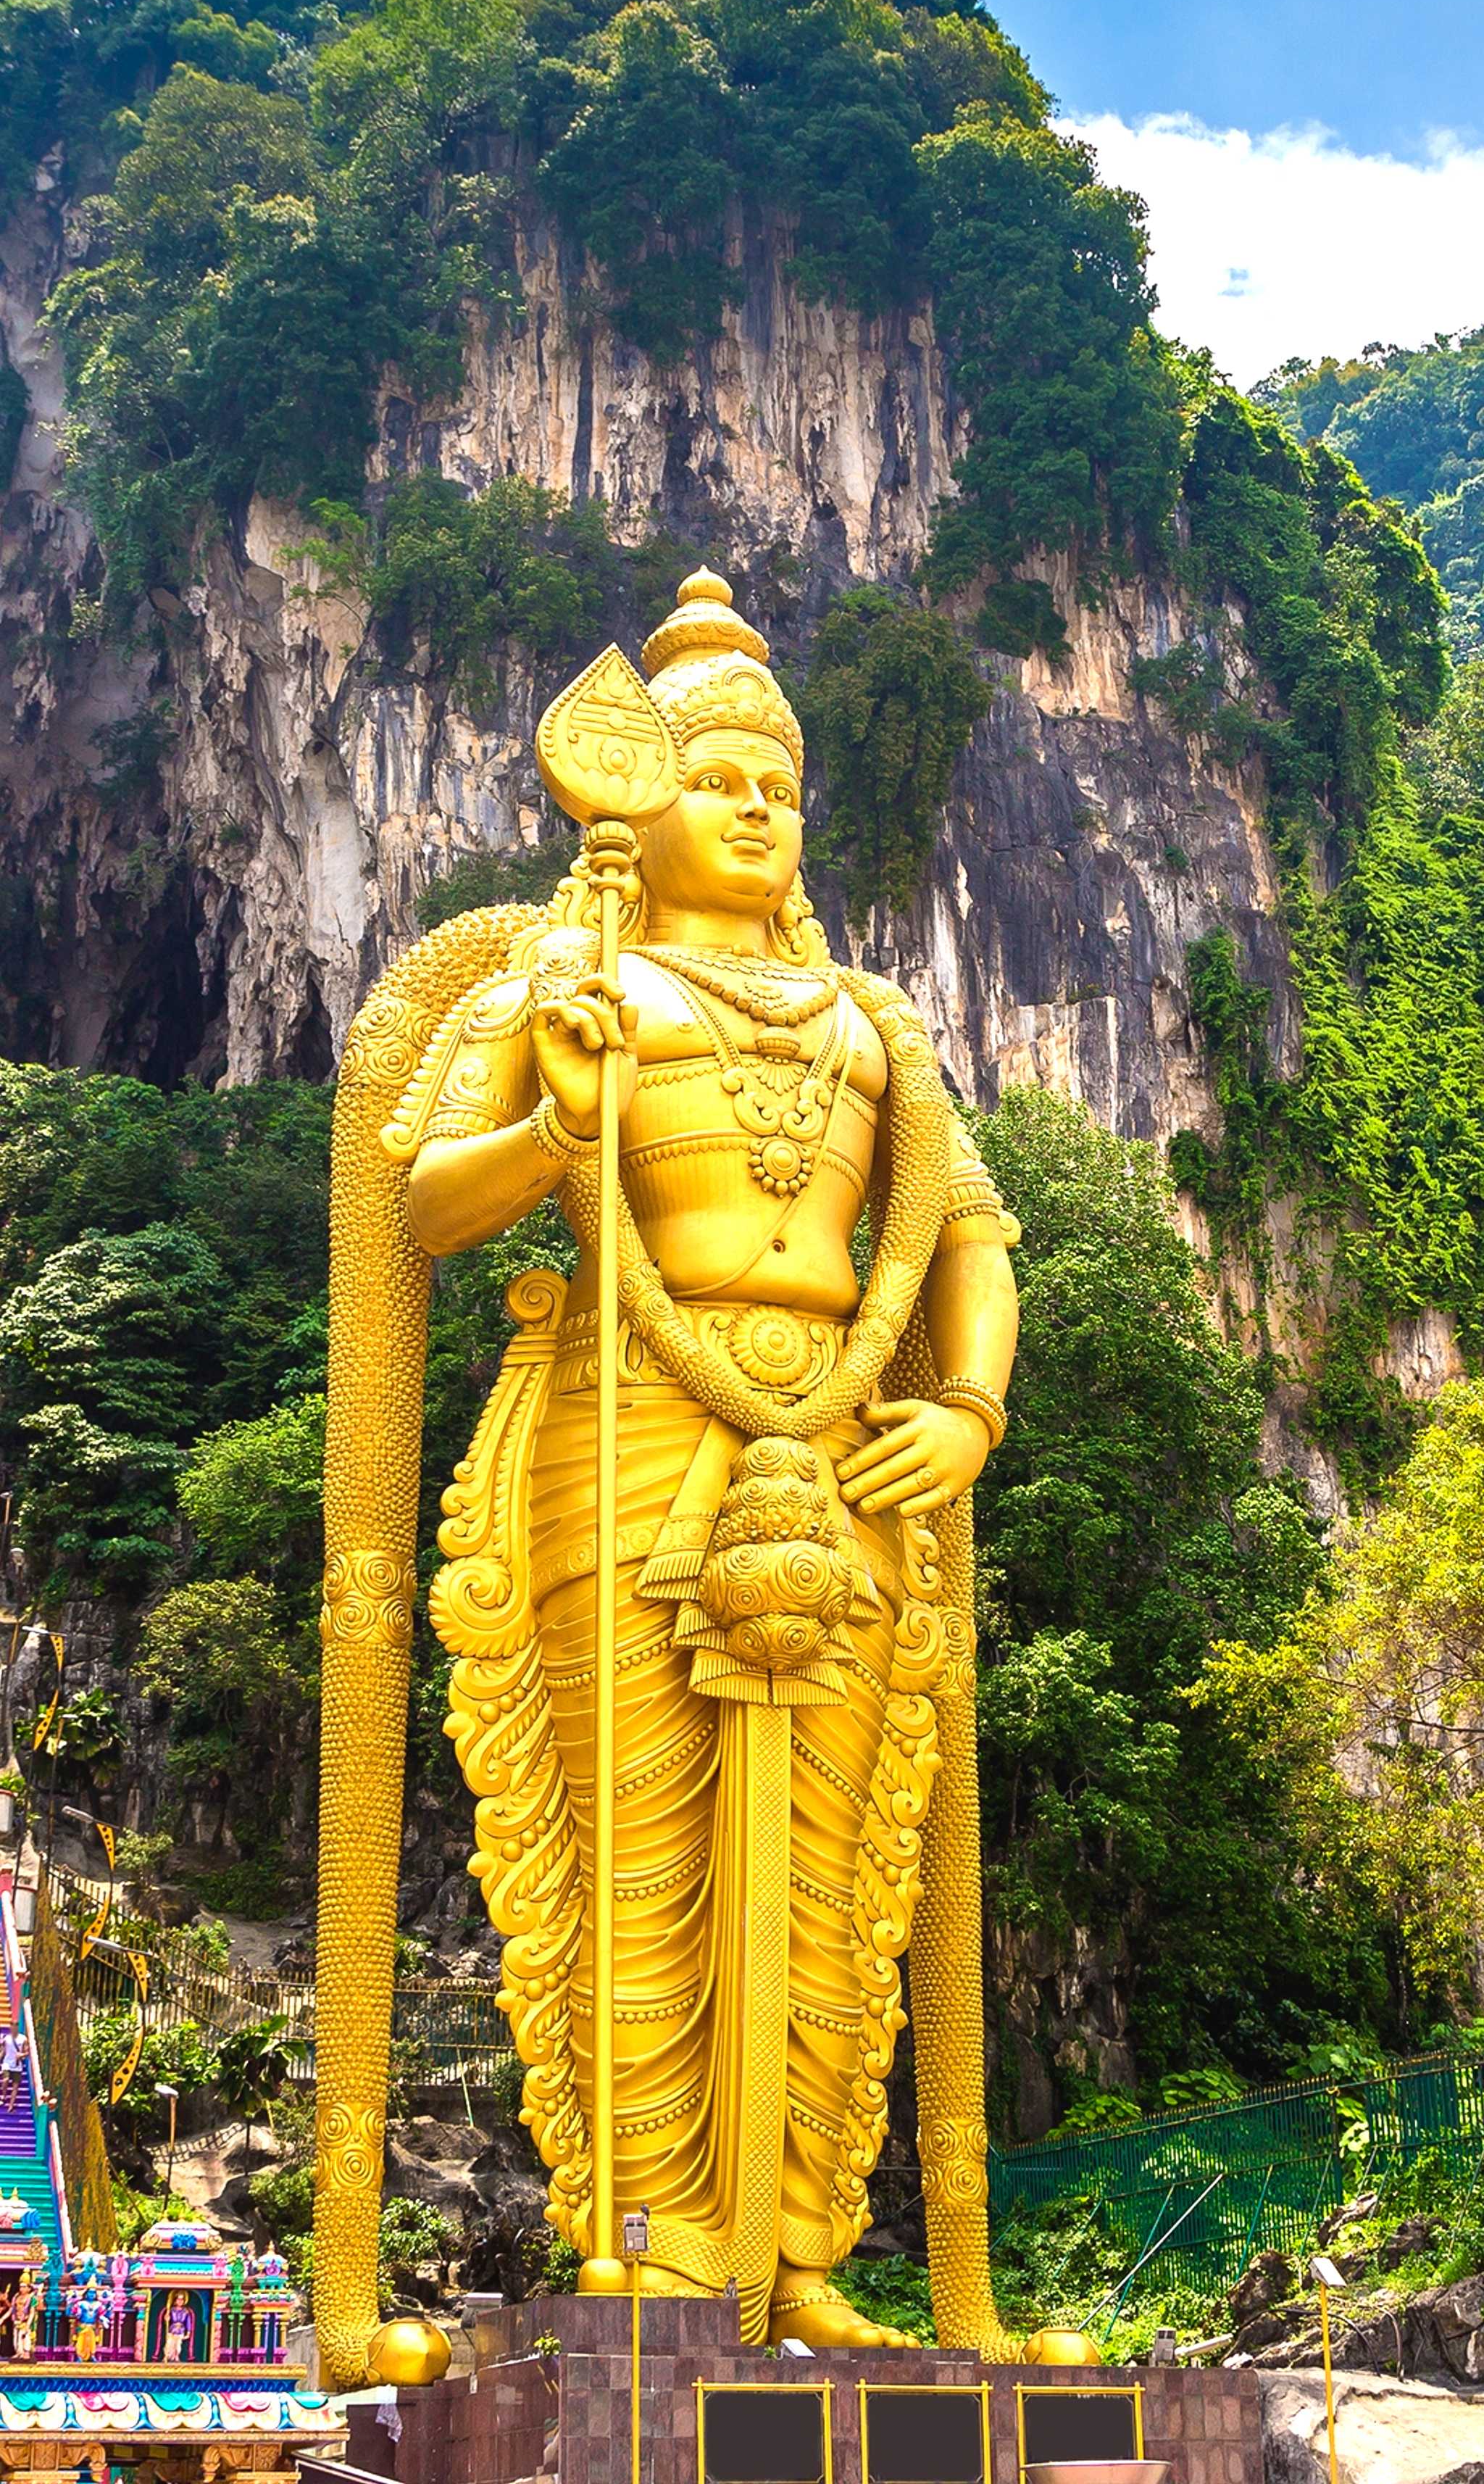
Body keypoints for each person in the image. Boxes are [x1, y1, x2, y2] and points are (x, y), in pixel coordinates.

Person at [316, 573, 1020, 2364]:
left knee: (840, 1858)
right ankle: (641, 2243)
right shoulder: (575, 975)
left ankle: (795, 2258)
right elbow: (425, 1197)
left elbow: (966, 1237)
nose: (758, 805)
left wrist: (970, 1409)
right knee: (639, 1851)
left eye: (780, 782)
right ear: (635, 796)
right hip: (623, 1427)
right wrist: (558, 1112)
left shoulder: (878, 1021)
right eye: (718, 772)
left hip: (848, 1451)